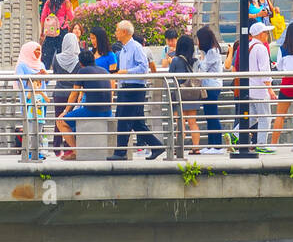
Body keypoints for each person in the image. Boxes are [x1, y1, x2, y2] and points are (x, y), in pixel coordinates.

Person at [110, 21, 164, 160]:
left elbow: (143, 68)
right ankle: (157, 146)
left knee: (124, 120)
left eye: (116, 30)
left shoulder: (136, 47)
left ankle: (120, 153)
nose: (115, 32)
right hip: (126, 88)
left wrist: (125, 72)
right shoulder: (124, 50)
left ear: (124, 32)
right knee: (134, 121)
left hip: (134, 88)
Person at [55, 46, 111, 159]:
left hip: (92, 110)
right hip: (108, 111)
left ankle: (77, 152)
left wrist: (65, 111)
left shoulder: (83, 71)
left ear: (80, 63)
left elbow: (74, 93)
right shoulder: (103, 70)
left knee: (61, 122)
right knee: (74, 125)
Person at [168, 35, 204, 152]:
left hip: (180, 94)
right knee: (193, 122)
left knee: (180, 122)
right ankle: (196, 147)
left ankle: (179, 147)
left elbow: (170, 76)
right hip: (193, 94)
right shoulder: (196, 61)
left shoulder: (176, 60)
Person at [247, 20, 276, 152]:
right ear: (259, 34)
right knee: (265, 117)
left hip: (251, 87)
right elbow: (265, 70)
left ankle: (234, 134)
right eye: (265, 32)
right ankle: (261, 144)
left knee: (252, 116)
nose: (267, 34)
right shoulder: (262, 48)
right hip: (260, 89)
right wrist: (270, 90)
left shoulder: (249, 46)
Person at [50, 30, 81, 154]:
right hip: (73, 94)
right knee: (70, 121)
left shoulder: (56, 58)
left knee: (58, 119)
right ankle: (69, 148)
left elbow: (55, 73)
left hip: (58, 93)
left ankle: (56, 147)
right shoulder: (79, 60)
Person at [196, 24, 225, 150]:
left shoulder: (212, 52)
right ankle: (211, 145)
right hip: (210, 86)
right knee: (209, 115)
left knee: (212, 115)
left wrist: (199, 59)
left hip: (212, 87)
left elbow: (203, 69)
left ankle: (217, 146)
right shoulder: (211, 51)